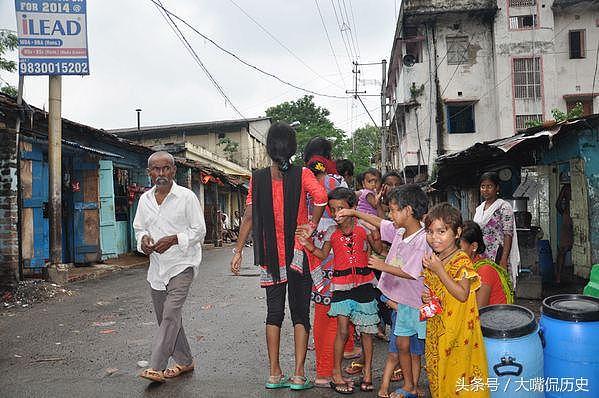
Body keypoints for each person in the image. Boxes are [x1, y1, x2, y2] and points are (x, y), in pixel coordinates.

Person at [230, 122, 328, 391]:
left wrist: (238, 250)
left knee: (273, 314)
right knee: (300, 314)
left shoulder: (258, 177)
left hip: (271, 257)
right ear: (293, 148)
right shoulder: (303, 174)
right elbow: (321, 199)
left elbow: (249, 216)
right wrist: (311, 226)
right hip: (299, 254)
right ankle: (298, 375)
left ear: (269, 148)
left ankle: (274, 373)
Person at [339, 185, 430, 398]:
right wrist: (354, 212)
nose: (390, 214)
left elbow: (411, 272)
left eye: (393, 210)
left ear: (408, 210)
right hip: (400, 301)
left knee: (415, 348)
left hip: (415, 303)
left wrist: (382, 266)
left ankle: (415, 385)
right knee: (402, 345)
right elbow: (380, 223)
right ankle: (409, 385)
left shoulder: (421, 239)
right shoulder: (400, 231)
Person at [297, 187, 380, 394]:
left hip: (364, 285)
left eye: (341, 209)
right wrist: (307, 244)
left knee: (367, 332)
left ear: (353, 208)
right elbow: (322, 253)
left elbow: (378, 249)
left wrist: (376, 230)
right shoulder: (332, 232)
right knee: (342, 331)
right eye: (332, 210)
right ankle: (336, 372)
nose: (336, 214)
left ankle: (368, 373)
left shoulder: (364, 228)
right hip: (341, 288)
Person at [134, 151, 206, 383]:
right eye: (156, 169)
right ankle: (185, 361)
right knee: (167, 318)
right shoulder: (144, 200)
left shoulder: (186, 197)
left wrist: (174, 239)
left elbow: (199, 231)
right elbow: (139, 229)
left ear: (174, 171)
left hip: (183, 263)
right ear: (149, 172)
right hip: (156, 268)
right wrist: (143, 241)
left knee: (170, 313)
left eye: (166, 168)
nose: (161, 174)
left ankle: (156, 366)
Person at [303, 141, 360, 389]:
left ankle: (323, 370)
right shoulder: (337, 182)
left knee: (321, 313)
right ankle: (327, 372)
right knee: (336, 316)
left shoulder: (301, 180)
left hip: (312, 252)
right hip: (336, 254)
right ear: (329, 157)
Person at [422, 203, 489, 398]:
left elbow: (462, 294)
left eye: (441, 231)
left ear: (457, 232)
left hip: (458, 332)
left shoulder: (461, 261)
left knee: (458, 378)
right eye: (430, 232)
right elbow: (437, 289)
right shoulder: (436, 259)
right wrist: (427, 296)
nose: (434, 238)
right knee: (439, 374)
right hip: (439, 327)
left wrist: (439, 271)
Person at [473, 171, 520, 287]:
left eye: (489, 186)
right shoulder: (479, 209)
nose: (485, 190)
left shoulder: (504, 207)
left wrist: (504, 259)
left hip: (497, 254)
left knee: (499, 285)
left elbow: (508, 234)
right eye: (483, 186)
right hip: (481, 255)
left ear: (497, 188)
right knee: (483, 285)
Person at [460, 221, 514, 307]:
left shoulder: (484, 271)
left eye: (459, 248)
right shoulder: (465, 267)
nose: (454, 252)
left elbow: (478, 311)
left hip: (493, 319)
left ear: (474, 246)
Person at [555, 183, 573, 284]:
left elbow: (558, 204)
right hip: (581, 217)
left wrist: (565, 213)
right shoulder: (579, 186)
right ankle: (559, 277)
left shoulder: (567, 187)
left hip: (568, 216)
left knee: (563, 249)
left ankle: (558, 277)